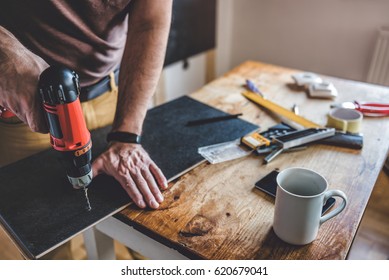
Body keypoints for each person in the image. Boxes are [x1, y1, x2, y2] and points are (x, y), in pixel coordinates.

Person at [0, 0, 172, 258]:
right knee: (48, 250)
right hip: (22, 108)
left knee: (138, 233)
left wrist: (126, 135)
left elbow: (150, 22)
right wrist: (5, 52)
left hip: (113, 95)